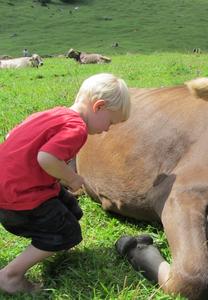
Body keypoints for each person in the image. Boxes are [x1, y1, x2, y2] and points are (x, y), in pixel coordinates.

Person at [0, 73, 131, 294]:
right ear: (98, 106)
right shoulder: (77, 129)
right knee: (66, 233)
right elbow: (46, 158)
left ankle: (45, 243)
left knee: (71, 208)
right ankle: (10, 276)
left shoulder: (54, 113)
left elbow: (12, 133)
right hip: (20, 198)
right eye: (110, 122)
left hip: (10, 186)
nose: (108, 129)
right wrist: (70, 177)